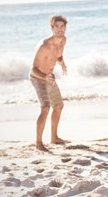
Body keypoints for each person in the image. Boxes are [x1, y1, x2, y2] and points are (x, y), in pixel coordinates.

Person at [29, 15, 69, 152]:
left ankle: (54, 137)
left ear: (65, 28)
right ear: (52, 28)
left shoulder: (63, 40)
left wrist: (62, 64)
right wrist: (45, 77)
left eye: (62, 26)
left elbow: (58, 55)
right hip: (38, 77)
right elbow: (32, 69)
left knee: (58, 106)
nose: (60, 29)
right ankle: (38, 143)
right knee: (45, 108)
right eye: (56, 26)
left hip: (49, 77)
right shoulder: (44, 46)